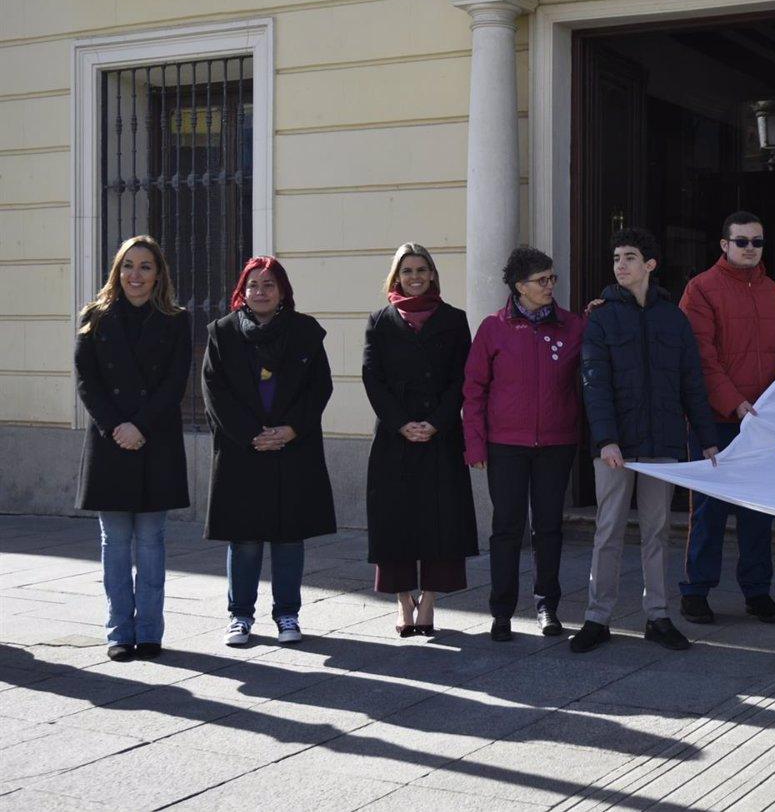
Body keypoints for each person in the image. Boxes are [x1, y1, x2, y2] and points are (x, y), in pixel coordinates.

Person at [572, 228, 719, 654]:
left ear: (650, 265)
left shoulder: (674, 318)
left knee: (658, 532)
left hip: (664, 445)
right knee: (608, 531)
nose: (620, 264)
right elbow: (594, 383)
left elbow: (692, 381)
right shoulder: (600, 317)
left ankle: (658, 615)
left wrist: (707, 439)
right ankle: (597, 618)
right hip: (615, 448)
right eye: (616, 257)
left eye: (630, 257)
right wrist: (606, 440)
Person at [202, 256, 336, 648]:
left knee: (289, 538)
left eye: (269, 285)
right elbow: (213, 391)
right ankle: (240, 616)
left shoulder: (305, 331)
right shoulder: (221, 333)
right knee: (243, 539)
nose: (260, 292)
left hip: (293, 449)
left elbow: (320, 387)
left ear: (282, 293)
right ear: (242, 292)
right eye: (253, 285)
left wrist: (290, 429)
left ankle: (288, 615)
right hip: (242, 451)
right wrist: (251, 434)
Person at [678, 211, 775, 626]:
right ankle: (695, 591)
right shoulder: (701, 289)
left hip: (762, 421)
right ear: (724, 245)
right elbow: (699, 357)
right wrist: (735, 403)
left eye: (758, 242)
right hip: (717, 419)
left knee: (757, 510)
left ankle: (757, 591)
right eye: (742, 241)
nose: (751, 249)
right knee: (709, 509)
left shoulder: (773, 291)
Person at [73, 236, 191, 661]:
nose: (135, 275)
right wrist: (116, 426)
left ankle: (150, 631)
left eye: (145, 266)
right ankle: (119, 632)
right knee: (115, 544)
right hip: (110, 442)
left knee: (151, 544)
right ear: (116, 271)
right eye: (128, 266)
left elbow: (175, 382)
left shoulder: (176, 320)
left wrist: (139, 425)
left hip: (154, 440)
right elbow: (87, 381)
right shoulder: (95, 317)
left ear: (158, 273)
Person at [464, 246, 585, 642]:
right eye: (542, 280)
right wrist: (475, 446)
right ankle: (502, 611)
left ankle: (547, 605)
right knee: (507, 529)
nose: (551, 286)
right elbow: (475, 390)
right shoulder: (493, 329)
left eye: (553, 278)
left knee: (549, 527)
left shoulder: (573, 326)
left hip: (556, 444)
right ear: (519, 287)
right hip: (505, 446)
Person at [362, 244, 477, 637]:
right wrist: (401, 423)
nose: (414, 277)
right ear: (396, 277)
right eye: (407, 270)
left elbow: (463, 378)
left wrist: (436, 422)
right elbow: (372, 379)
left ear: (432, 275)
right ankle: (402, 601)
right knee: (395, 520)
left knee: (439, 520)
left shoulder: (455, 320)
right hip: (395, 439)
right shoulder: (379, 321)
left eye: (421, 270)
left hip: (440, 437)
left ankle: (428, 600)